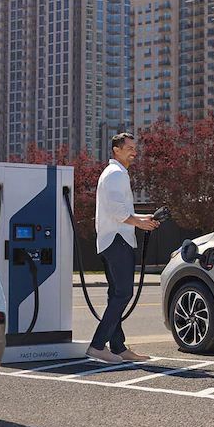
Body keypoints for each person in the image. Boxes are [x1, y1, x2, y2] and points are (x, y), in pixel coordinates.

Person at [86, 132, 159, 364]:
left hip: (112, 240)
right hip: (117, 241)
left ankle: (118, 347)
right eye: (129, 148)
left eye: (135, 148)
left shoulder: (115, 173)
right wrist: (139, 223)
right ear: (116, 150)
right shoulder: (116, 174)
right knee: (123, 293)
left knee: (116, 294)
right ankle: (98, 345)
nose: (134, 152)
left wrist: (143, 218)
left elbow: (119, 210)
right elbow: (117, 212)